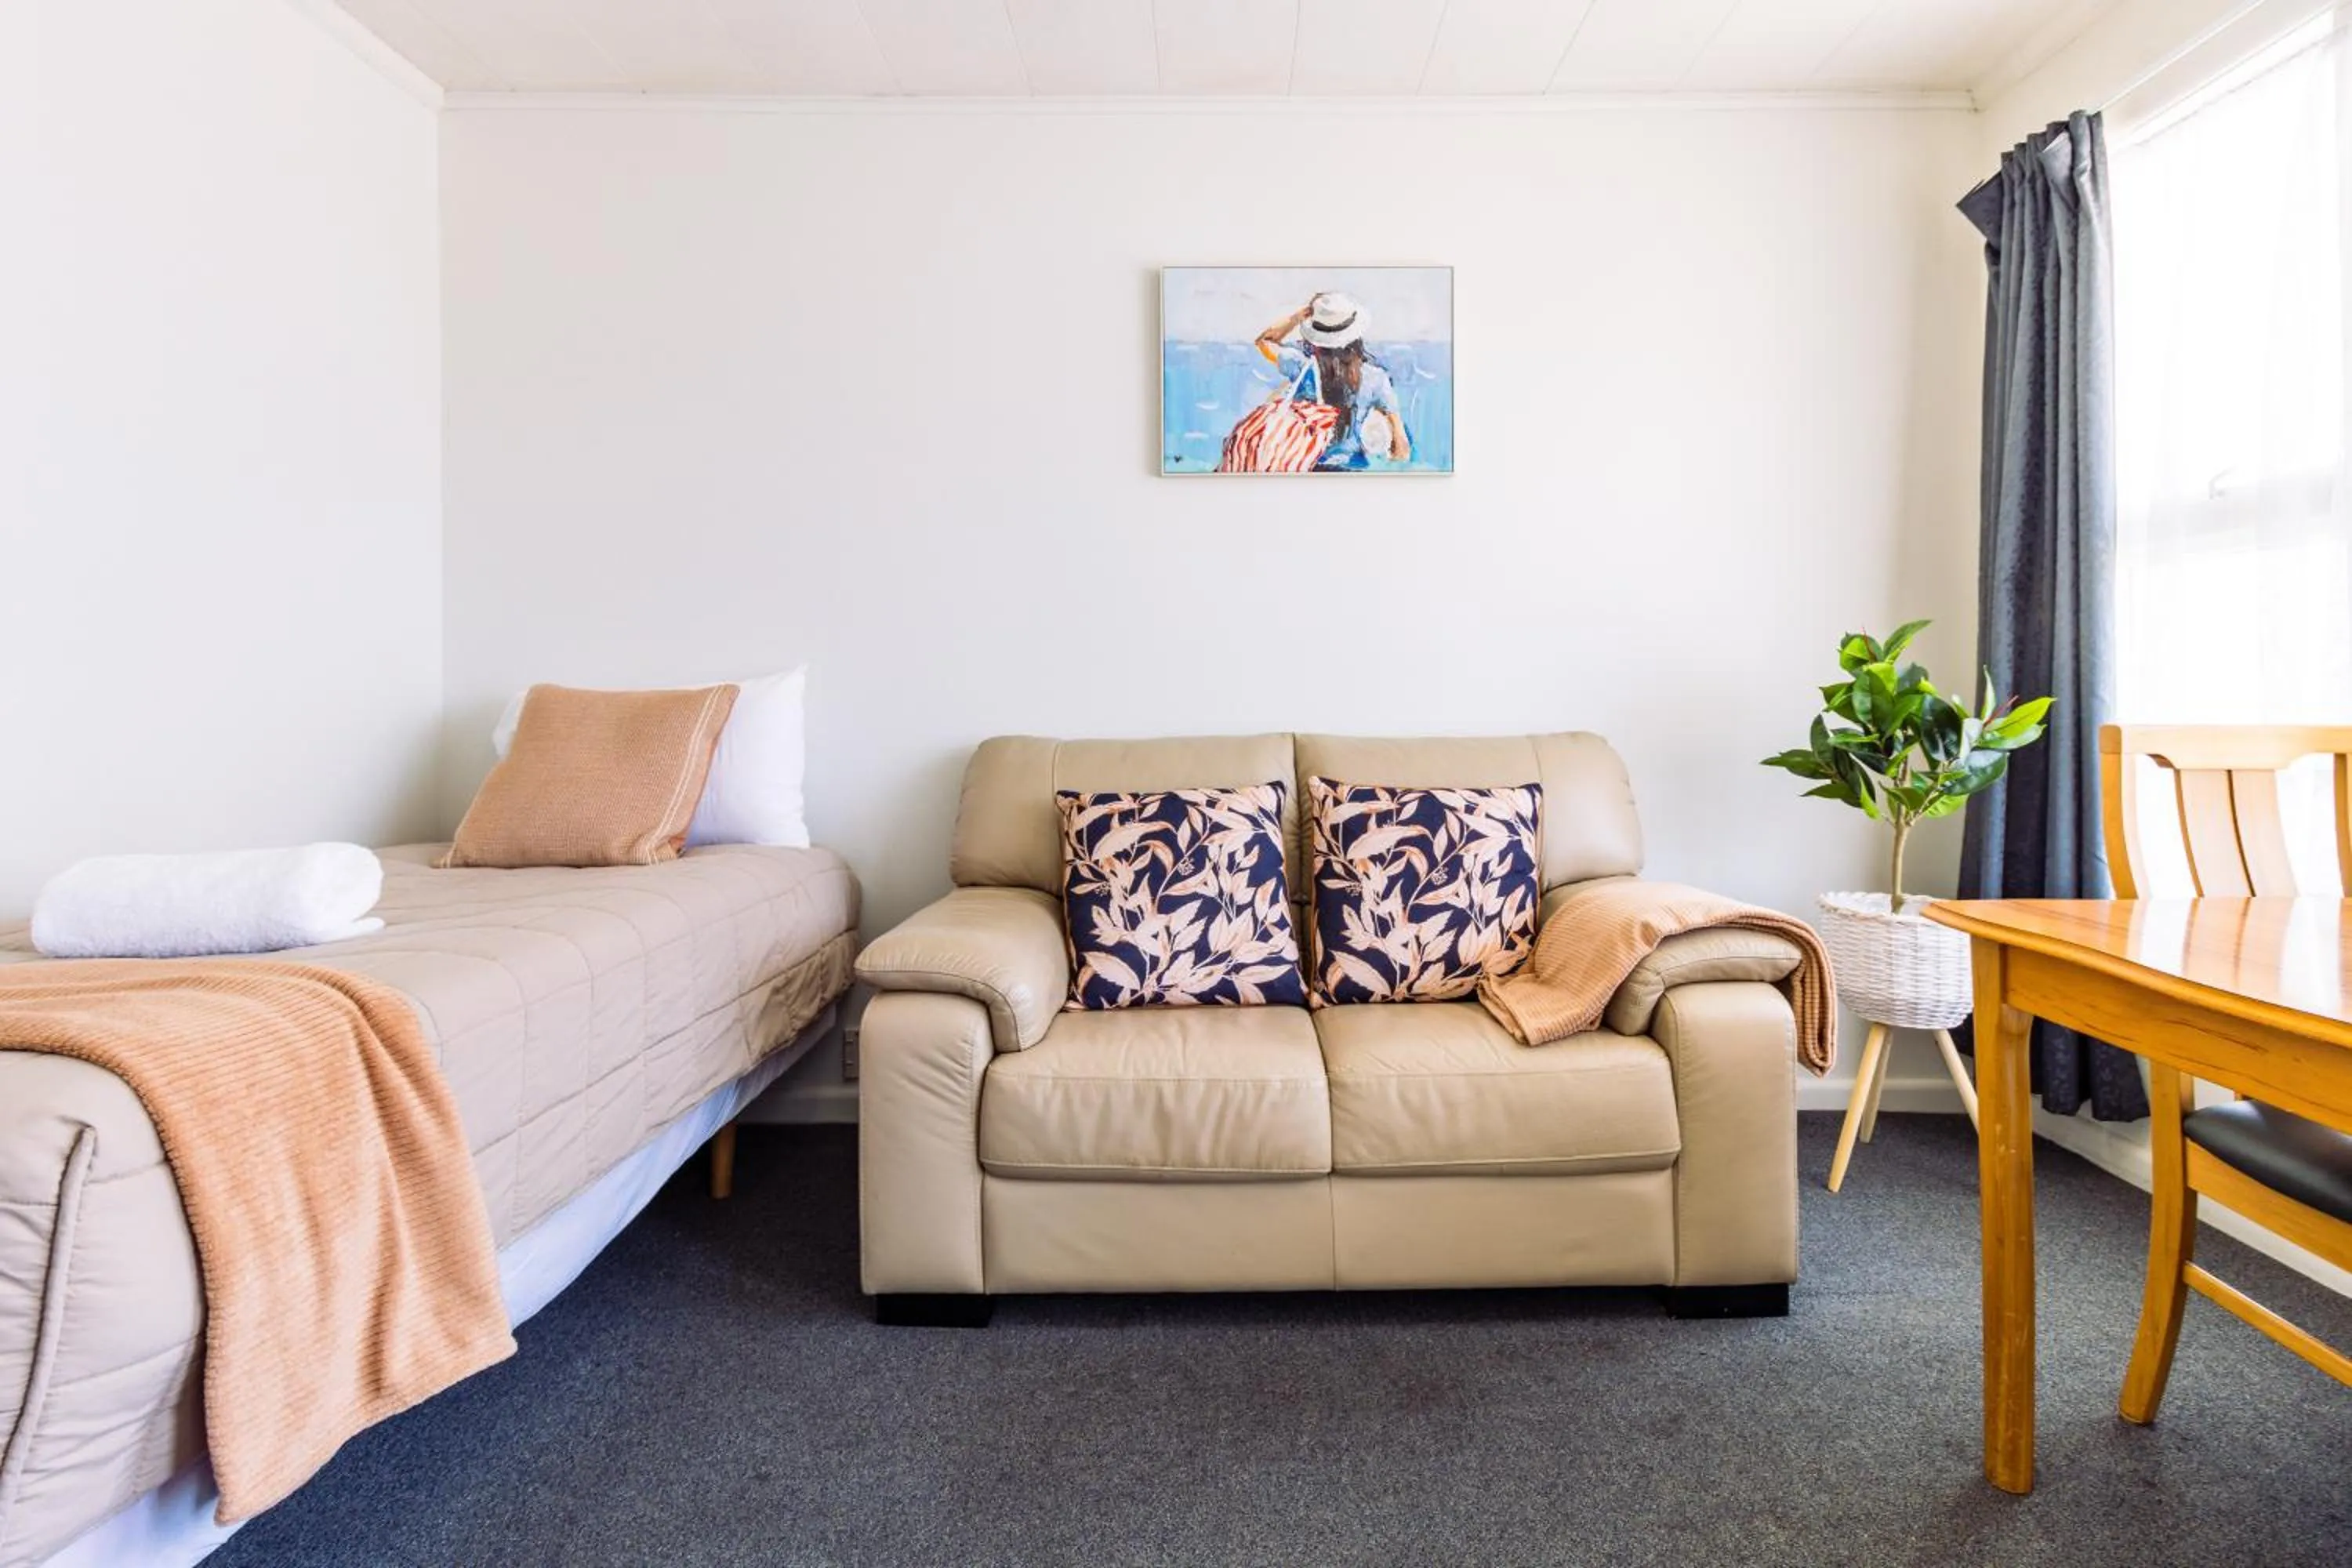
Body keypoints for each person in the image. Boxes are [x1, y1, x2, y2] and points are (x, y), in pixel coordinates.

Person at [1254, 292, 1410, 470]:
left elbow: (1264, 341)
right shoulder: (1376, 378)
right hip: (1354, 470)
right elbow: (1401, 448)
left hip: (1306, 467)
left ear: (1316, 338)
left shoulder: (1301, 366)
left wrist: (1298, 317)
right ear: (1355, 336)